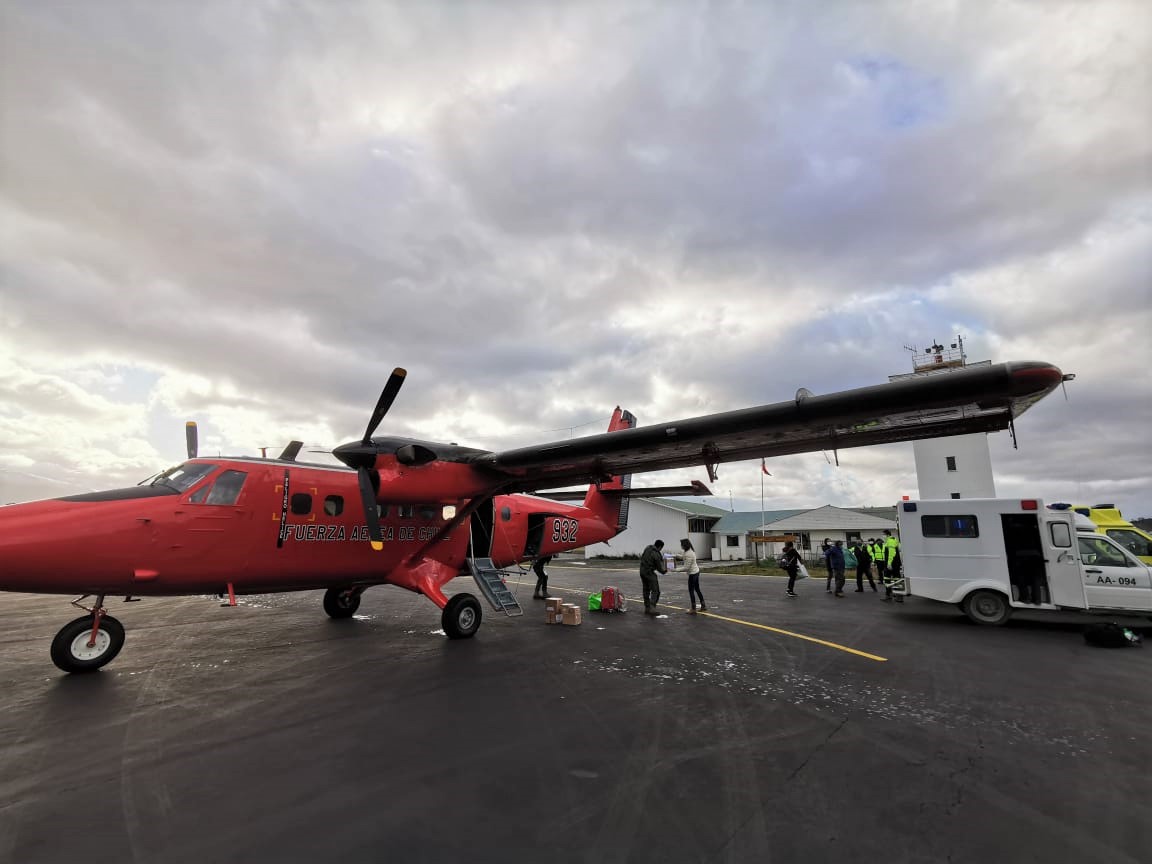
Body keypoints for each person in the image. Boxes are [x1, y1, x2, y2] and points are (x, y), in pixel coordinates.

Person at [639, 539, 667, 615]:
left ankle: (647, 608)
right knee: (656, 591)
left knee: (646, 590)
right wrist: (664, 571)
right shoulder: (656, 554)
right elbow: (659, 567)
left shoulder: (647, 548)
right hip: (649, 572)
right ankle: (652, 608)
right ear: (660, 547)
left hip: (642, 571)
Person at [678, 538, 706, 613]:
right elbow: (683, 557)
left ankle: (693, 608)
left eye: (682, 545)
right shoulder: (688, 551)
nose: (681, 546)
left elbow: (686, 568)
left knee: (691, 590)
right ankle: (703, 606)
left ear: (685, 545)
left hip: (693, 574)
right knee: (697, 589)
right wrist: (674, 555)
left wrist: (675, 569)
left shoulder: (689, 554)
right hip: (696, 572)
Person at [881, 529, 902, 602]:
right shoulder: (891, 541)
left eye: (883, 534)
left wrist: (889, 563)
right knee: (894, 579)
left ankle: (896, 596)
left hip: (892, 564)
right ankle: (893, 595)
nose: (882, 536)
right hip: (894, 563)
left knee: (891, 579)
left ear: (887, 535)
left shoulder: (890, 541)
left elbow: (892, 553)